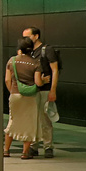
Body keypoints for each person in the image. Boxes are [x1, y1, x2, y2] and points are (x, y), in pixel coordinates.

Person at [4, 37, 44, 159]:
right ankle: (25, 153)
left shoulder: (12, 60)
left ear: (20, 48)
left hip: (15, 95)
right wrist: (44, 80)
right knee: (29, 123)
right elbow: (38, 82)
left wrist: (13, 91)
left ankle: (6, 150)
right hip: (30, 97)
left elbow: (7, 80)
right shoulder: (36, 62)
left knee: (12, 121)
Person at [24, 26, 61, 157]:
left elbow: (55, 70)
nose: (25, 39)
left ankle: (48, 146)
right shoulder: (28, 51)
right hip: (31, 89)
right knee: (33, 119)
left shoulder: (46, 50)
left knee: (45, 119)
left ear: (36, 36)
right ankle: (33, 146)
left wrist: (53, 90)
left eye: (28, 36)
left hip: (44, 89)